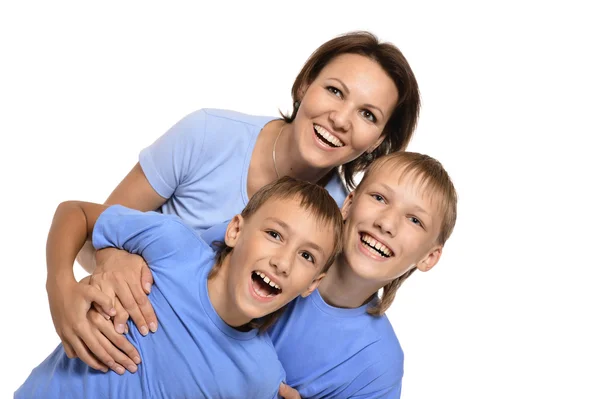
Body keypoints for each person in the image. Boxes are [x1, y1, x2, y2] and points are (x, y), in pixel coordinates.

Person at [46, 31, 420, 376]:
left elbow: (294, 329)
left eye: (367, 114)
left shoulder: (342, 221)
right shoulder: (207, 134)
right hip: (116, 348)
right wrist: (87, 273)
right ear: (305, 84)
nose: (340, 119)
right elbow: (93, 230)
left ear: (378, 140)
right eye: (335, 91)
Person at [17, 177, 343, 398]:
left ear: (312, 284)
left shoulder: (260, 376)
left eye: (306, 256)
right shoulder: (173, 248)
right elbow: (77, 213)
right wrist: (60, 286)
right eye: (274, 235)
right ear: (235, 231)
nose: (283, 262)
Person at [201, 151, 458, 397]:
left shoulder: (377, 366)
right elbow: (181, 262)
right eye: (379, 198)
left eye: (415, 220)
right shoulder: (269, 236)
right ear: (348, 204)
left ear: (429, 257)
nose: (386, 223)